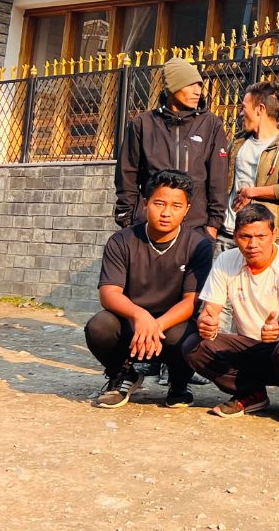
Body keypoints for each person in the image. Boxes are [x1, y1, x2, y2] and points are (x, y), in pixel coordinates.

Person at [86, 169, 215, 409]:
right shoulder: (122, 240)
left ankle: (179, 384)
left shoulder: (199, 245)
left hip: (172, 324)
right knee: (99, 326)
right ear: (145, 204)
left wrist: (157, 325)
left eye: (176, 206)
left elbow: (191, 301)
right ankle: (122, 375)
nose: (167, 212)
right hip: (132, 322)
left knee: (189, 337)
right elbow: (109, 293)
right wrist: (139, 315)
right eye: (159, 203)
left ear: (187, 210)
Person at [183, 203, 279, 421]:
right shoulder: (226, 260)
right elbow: (210, 310)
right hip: (247, 345)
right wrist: (207, 321)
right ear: (235, 236)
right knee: (194, 345)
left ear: (273, 235)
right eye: (245, 236)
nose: (253, 244)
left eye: (261, 236)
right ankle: (251, 393)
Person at [115, 57, 229, 242]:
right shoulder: (143, 124)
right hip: (148, 227)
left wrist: (213, 226)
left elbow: (219, 179)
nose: (197, 91)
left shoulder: (211, 125)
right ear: (172, 87)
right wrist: (127, 222)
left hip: (195, 229)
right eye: (190, 85)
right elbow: (126, 176)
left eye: (199, 85)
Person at [225, 81, 279, 240]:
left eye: (244, 107)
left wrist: (252, 192)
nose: (240, 113)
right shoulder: (238, 142)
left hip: (263, 238)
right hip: (227, 233)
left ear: (260, 109)